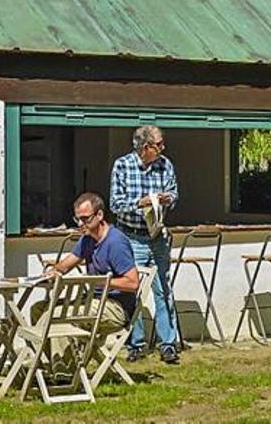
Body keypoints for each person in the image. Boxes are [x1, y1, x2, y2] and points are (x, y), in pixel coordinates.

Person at [110, 125, 180, 364]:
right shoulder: (123, 166)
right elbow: (115, 205)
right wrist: (141, 203)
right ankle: (135, 343)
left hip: (157, 235)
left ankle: (168, 343)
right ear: (145, 147)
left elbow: (174, 192)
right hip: (131, 236)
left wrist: (166, 199)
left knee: (163, 289)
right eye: (159, 144)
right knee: (134, 290)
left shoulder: (165, 164)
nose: (163, 148)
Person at [32, 192, 139, 342]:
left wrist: (98, 281)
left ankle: (61, 364)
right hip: (93, 301)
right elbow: (65, 265)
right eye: (77, 219)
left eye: (85, 219)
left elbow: (133, 283)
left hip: (115, 307)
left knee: (57, 315)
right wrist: (54, 271)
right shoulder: (87, 239)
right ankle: (46, 361)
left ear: (99, 215)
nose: (81, 224)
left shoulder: (116, 243)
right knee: (38, 309)